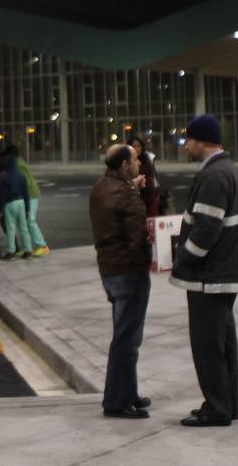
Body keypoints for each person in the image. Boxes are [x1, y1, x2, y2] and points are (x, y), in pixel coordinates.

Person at [170, 114, 238, 427]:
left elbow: (205, 231)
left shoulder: (214, 176)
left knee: (207, 346)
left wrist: (184, 259)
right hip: (224, 272)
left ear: (202, 140)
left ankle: (216, 408)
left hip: (209, 276)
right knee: (223, 343)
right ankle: (227, 405)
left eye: (188, 139)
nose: (185, 144)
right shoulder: (224, 170)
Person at [90, 144, 153, 419]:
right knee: (127, 339)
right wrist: (145, 262)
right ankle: (117, 401)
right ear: (125, 165)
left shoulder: (101, 187)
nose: (139, 164)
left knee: (124, 334)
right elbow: (137, 237)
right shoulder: (126, 196)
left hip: (109, 270)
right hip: (129, 273)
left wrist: (132, 189)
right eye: (136, 160)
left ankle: (129, 392)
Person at [0, 145, 33, 259]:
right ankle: (28, 250)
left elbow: (2, 196)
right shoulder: (21, 176)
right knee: (23, 227)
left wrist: (1, 210)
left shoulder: (5, 179)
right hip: (21, 202)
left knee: (11, 228)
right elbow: (26, 193)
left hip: (9, 204)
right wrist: (27, 208)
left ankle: (11, 252)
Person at [14, 148, 50, 256]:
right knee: (24, 222)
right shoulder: (17, 163)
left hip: (31, 195)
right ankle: (27, 248)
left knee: (30, 220)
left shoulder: (18, 164)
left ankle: (42, 246)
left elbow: (26, 182)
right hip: (29, 195)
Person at [130, 136, 162, 217]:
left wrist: (157, 192)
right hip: (135, 198)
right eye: (134, 146)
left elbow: (154, 176)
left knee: (152, 220)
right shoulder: (127, 162)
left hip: (150, 196)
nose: (137, 148)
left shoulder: (148, 159)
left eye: (139, 146)